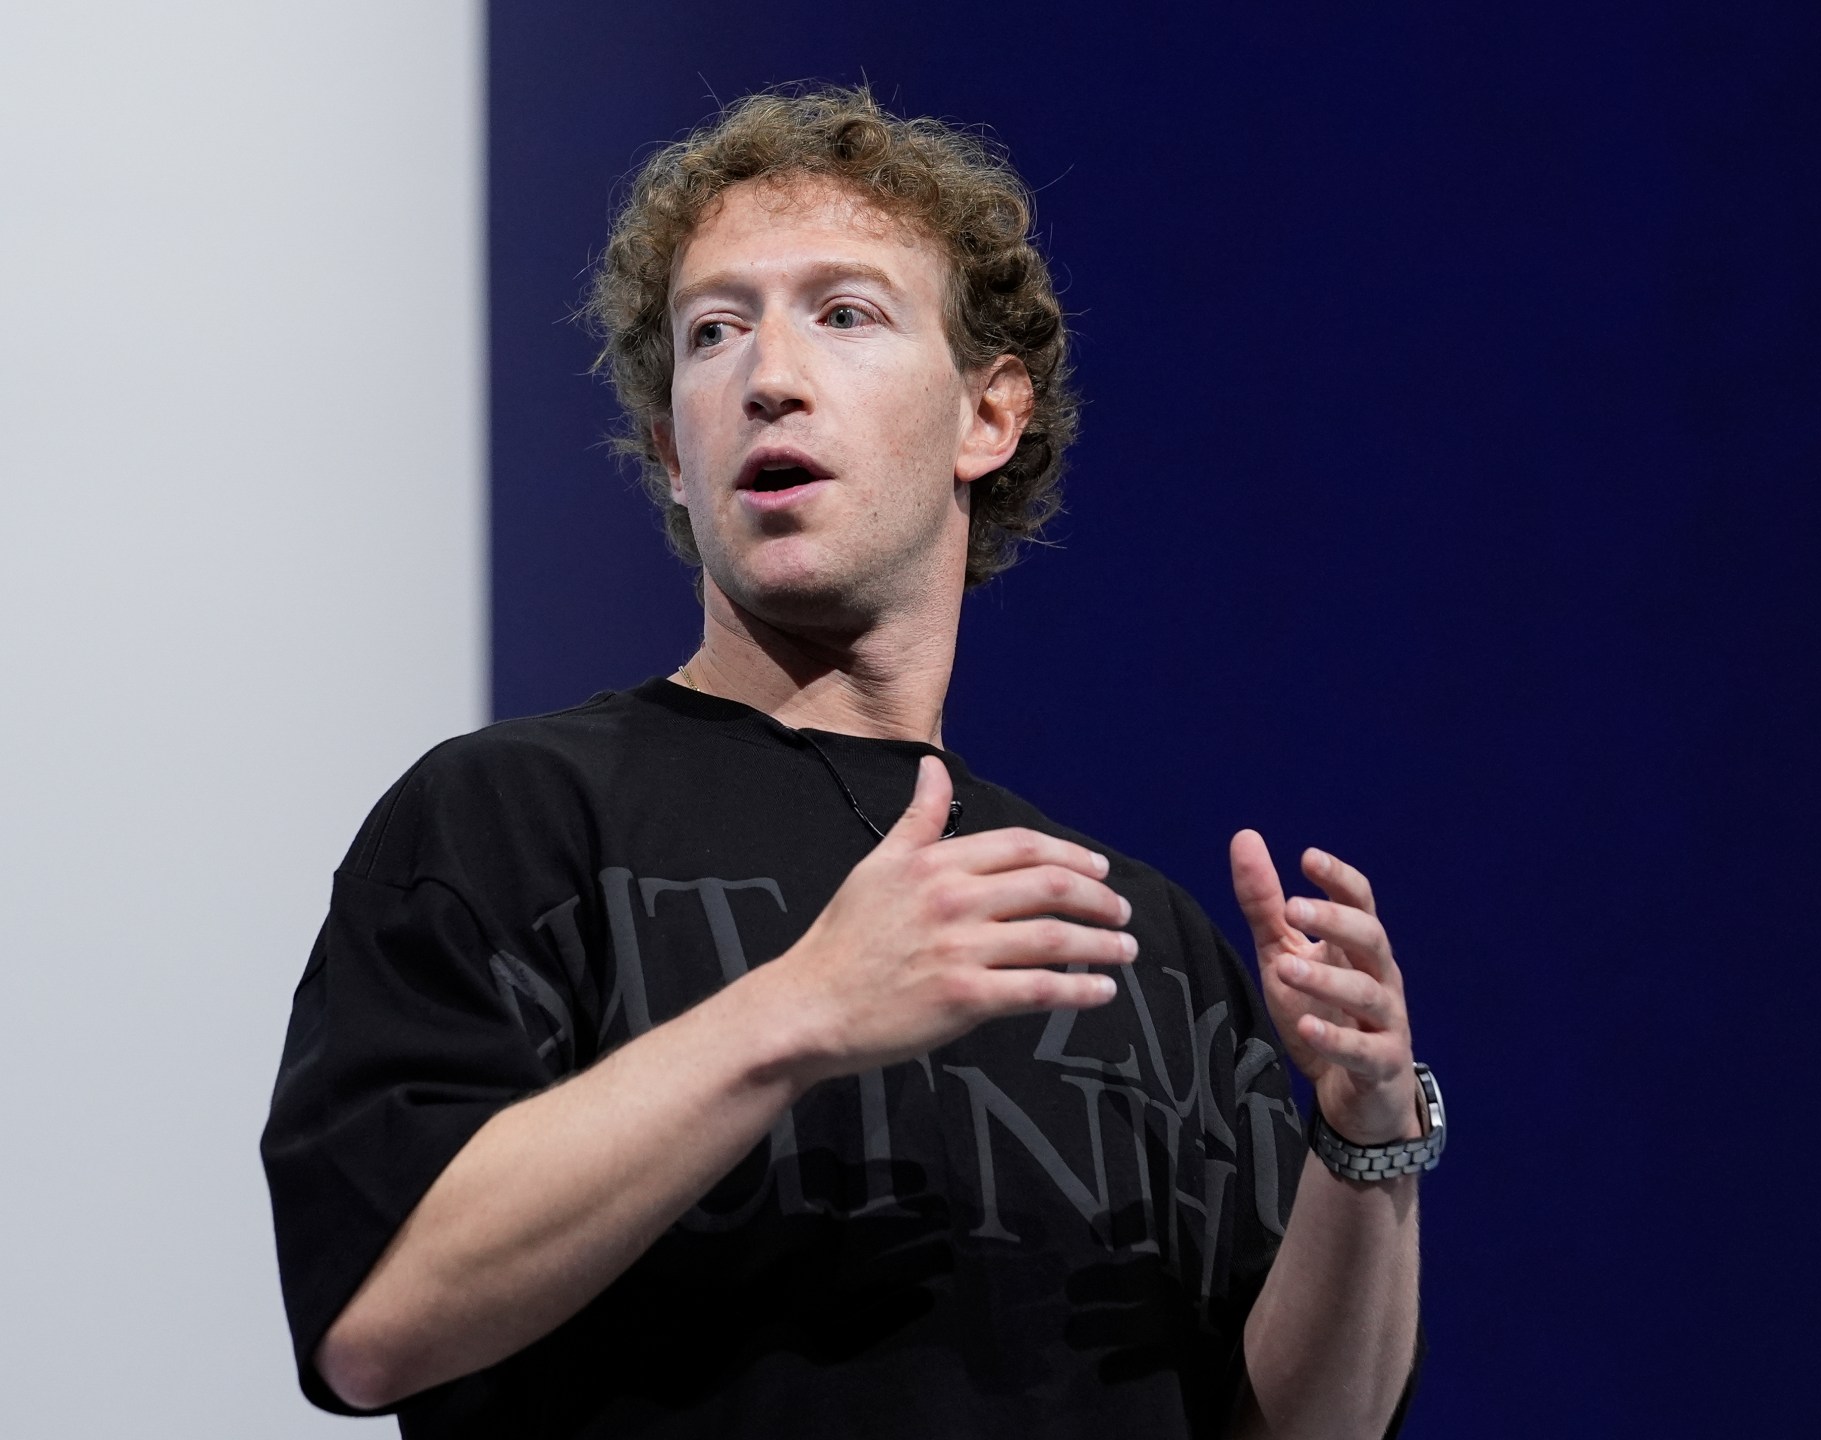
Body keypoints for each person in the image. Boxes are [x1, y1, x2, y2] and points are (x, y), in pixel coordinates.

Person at [263, 86, 1437, 1439]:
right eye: (713, 331)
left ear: (985, 419)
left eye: (843, 312)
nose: (767, 374)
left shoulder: (1126, 934)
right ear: (671, 454)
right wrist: (802, 1010)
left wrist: (1364, 1132)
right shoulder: (505, 821)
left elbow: (1310, 1428)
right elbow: (373, 1324)